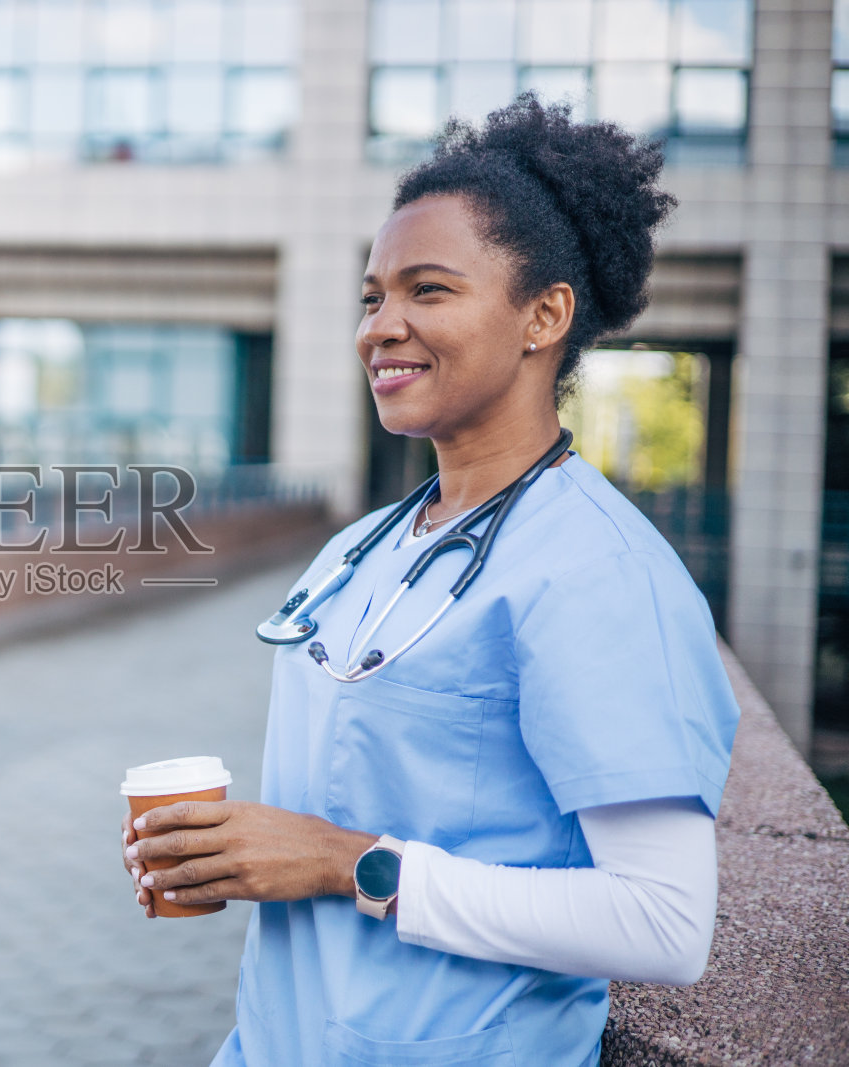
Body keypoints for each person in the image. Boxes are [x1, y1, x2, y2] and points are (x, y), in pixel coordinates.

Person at [120, 94, 741, 1066]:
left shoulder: (599, 575)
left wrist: (342, 863)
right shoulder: (359, 549)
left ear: (544, 315)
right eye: (371, 296)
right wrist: (224, 851)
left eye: (429, 290)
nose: (381, 326)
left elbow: (663, 922)